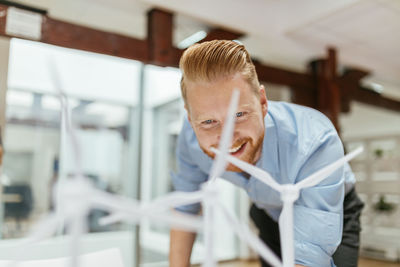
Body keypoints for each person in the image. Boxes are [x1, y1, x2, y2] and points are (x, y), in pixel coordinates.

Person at [169, 40, 363, 267]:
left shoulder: (314, 140)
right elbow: (185, 209)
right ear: (190, 119)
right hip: (270, 212)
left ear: (262, 102)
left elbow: (308, 258)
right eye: (209, 121)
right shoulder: (190, 137)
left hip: (330, 206)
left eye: (240, 114)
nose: (228, 138)